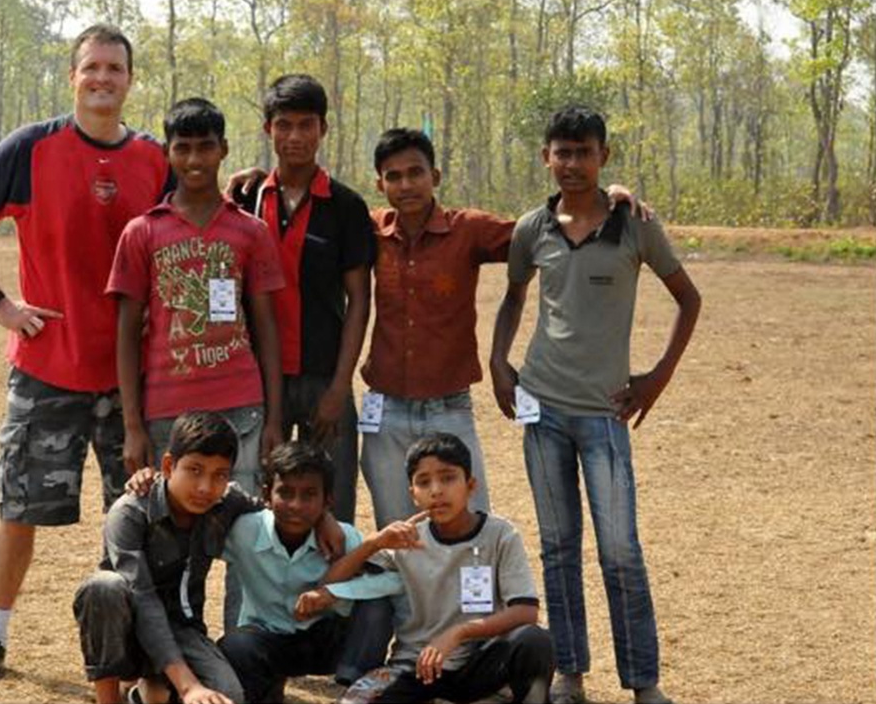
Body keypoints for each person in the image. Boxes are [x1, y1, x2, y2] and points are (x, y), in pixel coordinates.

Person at [0, 24, 171, 686]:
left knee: (134, 518)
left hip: (131, 380)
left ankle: (134, 650)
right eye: (91, 67)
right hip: (47, 371)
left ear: (130, 80)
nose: (103, 79)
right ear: (73, 76)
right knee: (18, 508)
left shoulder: (154, 159)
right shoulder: (32, 149)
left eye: (115, 69)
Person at [489, 105, 701, 704]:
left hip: (604, 414)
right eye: (562, 152)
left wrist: (657, 377)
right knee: (558, 547)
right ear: (546, 158)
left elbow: (689, 299)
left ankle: (644, 682)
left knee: (619, 550)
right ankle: (571, 674)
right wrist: (498, 361)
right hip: (542, 409)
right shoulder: (534, 226)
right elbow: (512, 297)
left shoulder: (634, 225)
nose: (572, 163)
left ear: (603, 156)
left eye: (584, 151)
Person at [360, 128, 647, 529]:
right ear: (379, 184)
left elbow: (546, 230)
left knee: (469, 528)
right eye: (394, 176)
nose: (406, 185)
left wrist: (602, 196)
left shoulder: (469, 230)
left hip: (449, 408)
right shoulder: (369, 230)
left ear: (436, 176)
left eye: (416, 173)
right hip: (385, 411)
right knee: (395, 532)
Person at [106, 96, 284, 498]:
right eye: (182, 148)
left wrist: (275, 416)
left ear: (223, 149)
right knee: (172, 529)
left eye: (205, 146)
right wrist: (133, 426)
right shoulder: (142, 233)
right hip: (168, 410)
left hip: (241, 405)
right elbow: (127, 332)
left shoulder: (250, 232)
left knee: (244, 525)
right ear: (167, 153)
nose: (194, 159)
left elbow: (266, 327)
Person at [230, 74, 375, 525]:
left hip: (323, 377)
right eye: (284, 125)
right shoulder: (245, 199)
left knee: (333, 504)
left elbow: (359, 302)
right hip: (258, 378)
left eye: (306, 125)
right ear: (267, 130)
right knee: (258, 504)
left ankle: (333, 594)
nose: (295, 137)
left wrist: (337, 388)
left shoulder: (346, 206)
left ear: (323, 129)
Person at [324, 433, 555, 704]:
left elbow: (526, 611)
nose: (436, 490)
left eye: (448, 478)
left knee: (534, 641)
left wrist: (458, 632)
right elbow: (331, 582)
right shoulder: (403, 541)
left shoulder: (500, 535)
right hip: (416, 667)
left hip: (476, 664)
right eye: (424, 482)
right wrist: (374, 543)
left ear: (470, 486)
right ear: (413, 494)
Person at [73, 412, 252, 704]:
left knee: (228, 696)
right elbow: (141, 597)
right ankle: (111, 699)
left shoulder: (225, 502)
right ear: (168, 466)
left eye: (219, 474)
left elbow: (278, 511)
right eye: (194, 470)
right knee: (104, 587)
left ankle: (147, 693)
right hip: (128, 630)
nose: (206, 487)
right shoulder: (130, 512)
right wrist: (188, 686)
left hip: (182, 629)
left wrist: (324, 522)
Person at [217, 442, 399, 702]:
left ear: (328, 500)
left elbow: (394, 581)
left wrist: (331, 592)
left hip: (327, 639)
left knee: (377, 606)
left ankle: (357, 693)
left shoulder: (344, 538)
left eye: (309, 494)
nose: (295, 505)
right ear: (267, 494)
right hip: (267, 639)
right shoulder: (243, 530)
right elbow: (210, 501)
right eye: (286, 493)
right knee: (235, 646)